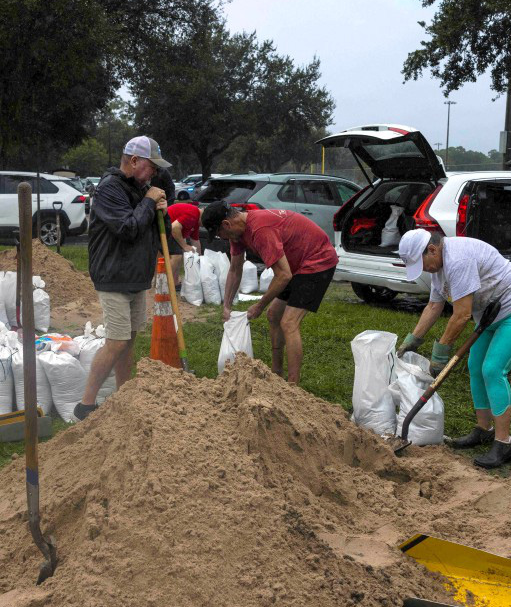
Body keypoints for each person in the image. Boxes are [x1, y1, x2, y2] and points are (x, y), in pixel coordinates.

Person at [395, 229, 511, 468]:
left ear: (432, 249)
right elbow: (434, 306)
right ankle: (483, 429)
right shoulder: (439, 265)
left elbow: (461, 315)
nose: (423, 269)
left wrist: (440, 352)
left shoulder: (458, 260)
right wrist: (413, 339)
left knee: (493, 369)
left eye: (421, 263)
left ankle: (504, 443)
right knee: (475, 366)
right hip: (491, 314)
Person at [73, 136, 170, 421]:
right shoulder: (109, 189)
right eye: (152, 166)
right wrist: (149, 203)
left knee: (128, 339)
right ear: (135, 161)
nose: (154, 173)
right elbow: (127, 228)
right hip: (113, 274)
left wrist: (157, 210)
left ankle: (125, 396)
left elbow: (143, 227)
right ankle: (86, 405)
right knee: (116, 341)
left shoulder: (139, 189)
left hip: (135, 277)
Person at [200, 201, 339, 385]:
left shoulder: (259, 230)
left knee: (289, 322)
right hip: (295, 265)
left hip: (317, 260)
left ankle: (292, 387)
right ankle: (277, 374)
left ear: (226, 224)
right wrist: (226, 305)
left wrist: (259, 305)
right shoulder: (237, 235)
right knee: (273, 315)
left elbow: (283, 275)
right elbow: (235, 269)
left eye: (220, 234)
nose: (223, 238)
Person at [167, 200, 201, 284]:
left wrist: (199, 259)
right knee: (177, 256)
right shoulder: (193, 214)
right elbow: (174, 227)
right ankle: (166, 284)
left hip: (171, 229)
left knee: (179, 254)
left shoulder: (196, 221)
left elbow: (195, 241)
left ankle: (174, 282)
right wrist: (185, 246)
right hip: (166, 227)